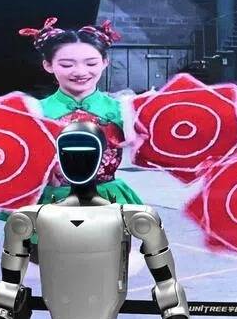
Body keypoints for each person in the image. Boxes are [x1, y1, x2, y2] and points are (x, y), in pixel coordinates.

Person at [16, 16, 143, 207]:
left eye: (91, 64)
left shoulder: (124, 109)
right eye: (67, 65)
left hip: (108, 198)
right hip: (52, 200)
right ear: (48, 65)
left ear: (105, 62)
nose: (80, 72)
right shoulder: (34, 111)